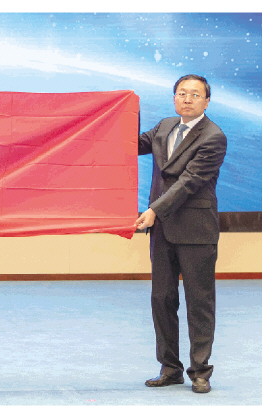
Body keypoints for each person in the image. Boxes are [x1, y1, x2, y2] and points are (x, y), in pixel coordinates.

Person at [135, 74, 227, 394]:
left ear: (206, 101)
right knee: (162, 299)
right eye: (182, 93)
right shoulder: (164, 126)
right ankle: (170, 368)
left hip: (196, 230)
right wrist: (114, 115)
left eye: (195, 94)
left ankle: (200, 371)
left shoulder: (213, 136)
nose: (187, 99)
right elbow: (131, 144)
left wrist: (154, 210)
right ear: (174, 98)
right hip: (162, 231)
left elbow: (189, 182)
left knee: (199, 302)